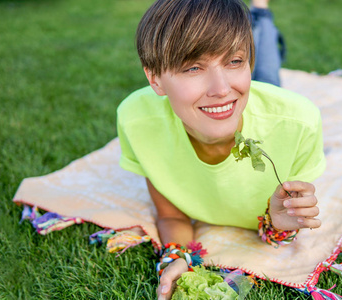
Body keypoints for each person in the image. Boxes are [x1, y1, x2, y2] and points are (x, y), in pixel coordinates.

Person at [117, 0, 326, 298]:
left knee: (267, 70)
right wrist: (176, 257)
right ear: (154, 79)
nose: (221, 88)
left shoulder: (298, 123)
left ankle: (260, 12)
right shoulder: (135, 121)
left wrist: (280, 225)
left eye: (235, 61)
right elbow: (172, 216)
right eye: (193, 67)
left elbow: (280, 226)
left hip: (262, 96)